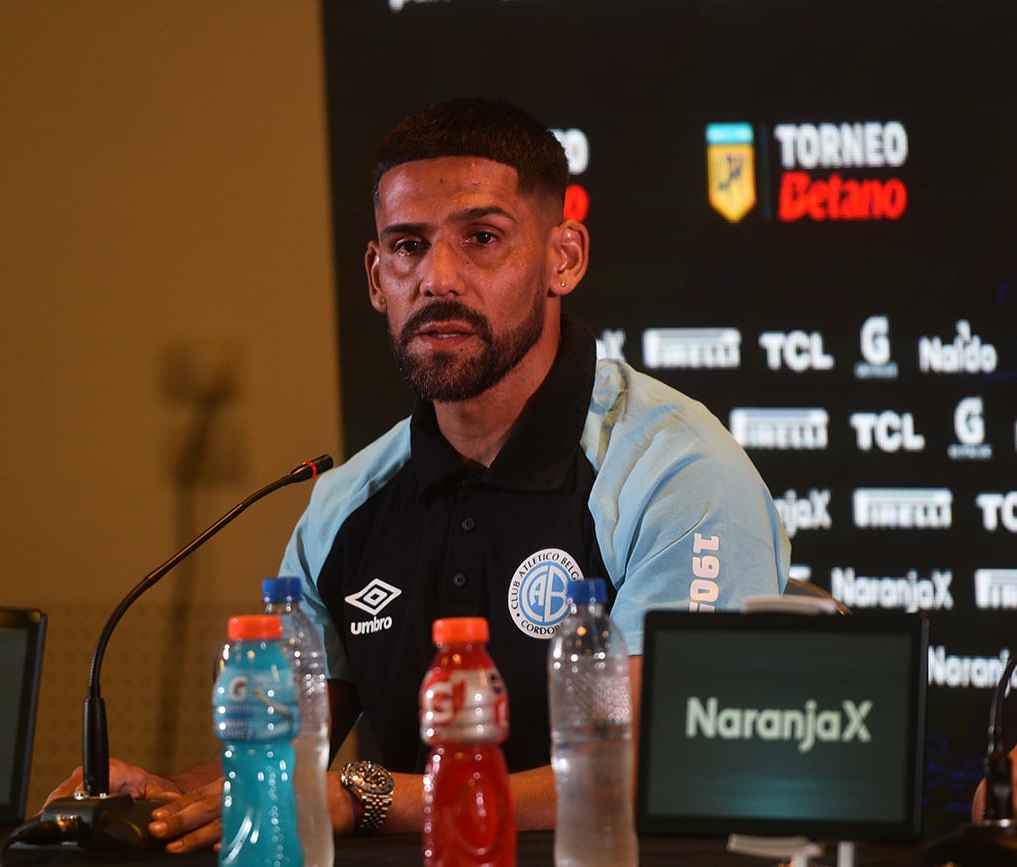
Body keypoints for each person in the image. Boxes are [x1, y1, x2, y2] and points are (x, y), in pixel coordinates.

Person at [45, 97, 791, 851]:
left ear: (563, 257)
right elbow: (292, 761)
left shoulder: (680, 473)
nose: (438, 276)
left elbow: (652, 764)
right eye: (407, 245)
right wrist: (173, 796)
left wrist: (372, 796)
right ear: (376, 277)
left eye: (482, 238)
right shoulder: (341, 505)